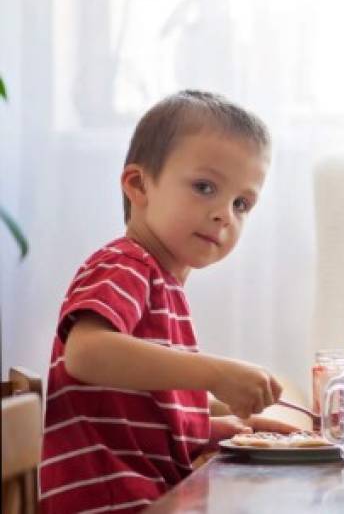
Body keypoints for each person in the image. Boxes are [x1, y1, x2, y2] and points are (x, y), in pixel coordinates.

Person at [40, 90, 294, 514]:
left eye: (241, 203)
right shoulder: (124, 264)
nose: (224, 215)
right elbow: (85, 355)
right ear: (139, 185)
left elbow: (138, 407)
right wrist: (215, 372)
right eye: (204, 187)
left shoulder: (161, 284)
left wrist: (217, 422)